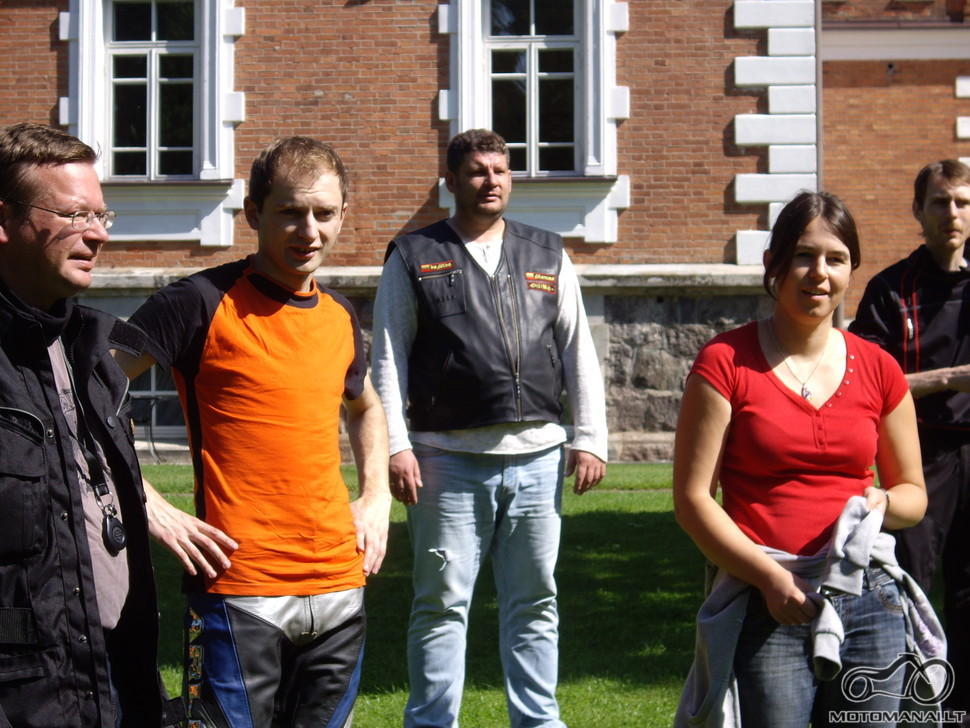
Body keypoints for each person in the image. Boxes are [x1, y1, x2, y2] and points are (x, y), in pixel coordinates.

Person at [113, 136, 391, 728]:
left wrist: (376, 496)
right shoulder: (198, 302)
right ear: (253, 214)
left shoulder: (340, 315)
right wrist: (147, 503)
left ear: (344, 215)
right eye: (289, 212)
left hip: (340, 590)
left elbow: (366, 407)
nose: (309, 231)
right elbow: (86, 389)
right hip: (237, 590)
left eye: (324, 213)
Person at [371, 128, 608, 728]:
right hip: (445, 460)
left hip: (538, 458)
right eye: (477, 171)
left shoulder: (547, 253)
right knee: (440, 604)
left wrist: (589, 437)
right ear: (451, 181)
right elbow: (388, 358)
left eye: (500, 170)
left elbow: (577, 349)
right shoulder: (414, 256)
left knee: (536, 602)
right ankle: (431, 723)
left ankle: (539, 722)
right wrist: (395, 445)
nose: (490, 181)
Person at [673, 191, 931, 727]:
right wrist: (769, 579)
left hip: (868, 597)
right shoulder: (725, 362)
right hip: (766, 600)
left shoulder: (880, 369)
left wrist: (882, 502)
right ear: (773, 264)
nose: (819, 273)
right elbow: (693, 500)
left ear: (851, 271)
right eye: (803, 256)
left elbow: (913, 496)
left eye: (836, 259)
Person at [0, 122, 184, 727]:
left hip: (113, 679)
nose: (99, 233)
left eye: (102, 215)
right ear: (5, 221)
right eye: (76, 215)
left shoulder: (97, 350)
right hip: (26, 699)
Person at [849, 159, 970, 723]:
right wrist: (949, 378)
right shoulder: (890, 290)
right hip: (917, 459)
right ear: (917, 211)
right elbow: (866, 380)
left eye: (962, 203)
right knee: (909, 585)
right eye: (940, 202)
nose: (952, 213)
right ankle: (907, 707)